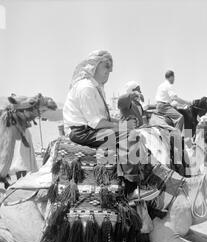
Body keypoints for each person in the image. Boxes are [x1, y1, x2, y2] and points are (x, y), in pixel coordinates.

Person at [63, 50, 157, 201]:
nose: (109, 71)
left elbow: (104, 118)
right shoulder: (86, 88)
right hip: (82, 132)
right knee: (130, 136)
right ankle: (130, 190)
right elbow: (97, 123)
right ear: (94, 66)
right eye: (106, 66)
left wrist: (122, 124)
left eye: (110, 68)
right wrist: (123, 127)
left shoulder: (95, 88)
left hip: (88, 129)